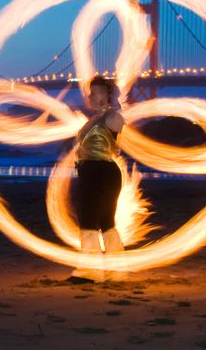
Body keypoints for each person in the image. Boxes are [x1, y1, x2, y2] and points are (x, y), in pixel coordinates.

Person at [67, 75, 126, 283]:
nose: (89, 96)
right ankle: (113, 271)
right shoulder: (94, 118)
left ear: (105, 95)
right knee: (100, 220)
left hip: (102, 172)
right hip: (90, 172)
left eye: (94, 92)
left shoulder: (113, 117)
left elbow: (111, 138)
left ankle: (92, 272)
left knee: (92, 220)